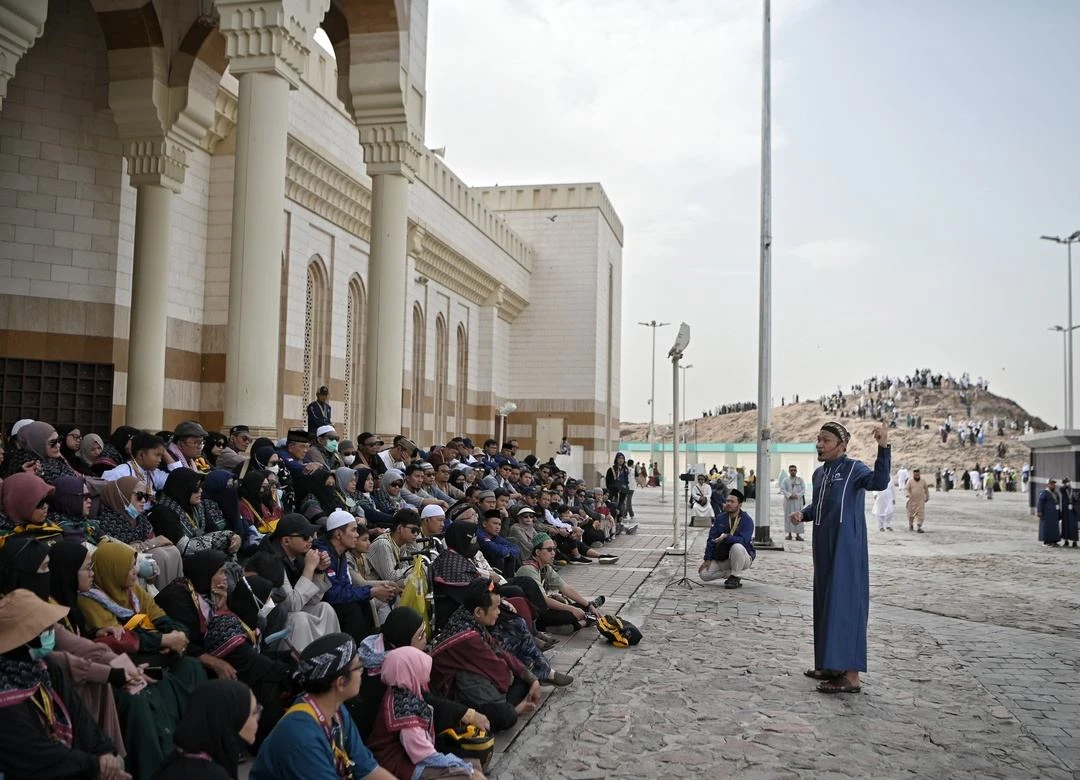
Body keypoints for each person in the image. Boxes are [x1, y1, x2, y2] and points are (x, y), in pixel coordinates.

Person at [790, 421, 890, 695]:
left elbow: (879, 482)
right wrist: (804, 514)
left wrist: (882, 447)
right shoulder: (819, 474)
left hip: (847, 548)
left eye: (826, 440)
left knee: (845, 606)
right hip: (823, 548)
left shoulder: (854, 469)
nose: (819, 445)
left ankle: (850, 676)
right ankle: (830, 665)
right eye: (818, 439)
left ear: (842, 445)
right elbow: (820, 504)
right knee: (824, 604)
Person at [0, 589, 130, 780]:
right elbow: (33, 755)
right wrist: (94, 765)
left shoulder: (44, 668)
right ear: (24, 640)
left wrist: (104, 751)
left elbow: (79, 717)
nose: (51, 632)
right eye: (45, 630)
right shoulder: (5, 697)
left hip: (69, 761)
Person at [250, 632, 397, 780]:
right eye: (358, 667)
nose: (361, 672)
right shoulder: (301, 735)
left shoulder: (337, 711)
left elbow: (368, 770)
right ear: (340, 682)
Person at [430, 580, 542, 732]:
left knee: (523, 681)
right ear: (478, 612)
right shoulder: (468, 637)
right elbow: (500, 672)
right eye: (495, 608)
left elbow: (499, 651)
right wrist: (511, 675)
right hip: (453, 696)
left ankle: (511, 706)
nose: (499, 612)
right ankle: (513, 710)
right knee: (505, 713)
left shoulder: (467, 617)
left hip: (479, 685)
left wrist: (532, 679)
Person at [367, 646, 483, 779]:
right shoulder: (404, 707)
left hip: (408, 760)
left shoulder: (402, 692)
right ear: (411, 671)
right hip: (398, 767)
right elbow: (422, 753)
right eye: (421, 668)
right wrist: (462, 767)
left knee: (474, 766)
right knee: (466, 775)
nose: (427, 676)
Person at [253, 514, 341, 650]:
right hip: (269, 620)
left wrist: (318, 571)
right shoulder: (270, 559)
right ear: (286, 541)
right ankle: (302, 667)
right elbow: (292, 604)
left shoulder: (298, 556)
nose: (311, 540)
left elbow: (313, 601)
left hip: (292, 611)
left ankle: (333, 655)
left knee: (325, 609)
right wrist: (309, 568)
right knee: (300, 619)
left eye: (312, 535)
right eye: (305, 537)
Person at [314, 510, 397, 642]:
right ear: (338, 534)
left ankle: (370, 643)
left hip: (331, 603)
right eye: (353, 530)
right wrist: (371, 591)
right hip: (318, 608)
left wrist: (370, 592)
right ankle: (356, 652)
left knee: (363, 601)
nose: (356, 535)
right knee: (351, 608)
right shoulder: (323, 555)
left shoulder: (339, 553)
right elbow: (331, 594)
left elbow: (346, 586)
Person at [152, 679, 261, 780]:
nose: (257, 719)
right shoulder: (209, 775)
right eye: (254, 713)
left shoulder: (179, 760)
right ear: (230, 721)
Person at [96, 477, 183, 586]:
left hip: (142, 559)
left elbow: (154, 540)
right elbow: (117, 552)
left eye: (145, 497)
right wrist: (148, 544)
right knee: (160, 555)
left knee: (173, 551)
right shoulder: (108, 521)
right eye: (139, 496)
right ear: (121, 496)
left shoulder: (140, 519)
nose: (143, 501)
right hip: (126, 568)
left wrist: (145, 545)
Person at [514, 533, 602, 631]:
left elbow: (565, 587)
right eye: (549, 550)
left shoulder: (545, 567)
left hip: (542, 609)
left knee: (581, 606)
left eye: (554, 549)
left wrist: (588, 605)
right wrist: (572, 609)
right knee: (570, 615)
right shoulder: (528, 569)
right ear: (538, 552)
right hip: (532, 615)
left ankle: (581, 619)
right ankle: (582, 623)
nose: (553, 553)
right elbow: (544, 601)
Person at [150, 468, 241, 557]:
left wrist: (233, 537)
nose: (201, 490)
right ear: (183, 489)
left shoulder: (197, 507)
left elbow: (214, 530)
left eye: (201, 486)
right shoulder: (163, 512)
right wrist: (224, 539)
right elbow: (183, 547)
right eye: (196, 488)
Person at [698, 490, 756, 588]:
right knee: (704, 574)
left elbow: (743, 541)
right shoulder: (720, 518)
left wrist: (726, 537)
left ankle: (735, 576)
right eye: (727, 501)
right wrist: (707, 559)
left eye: (732, 502)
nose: (728, 504)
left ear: (740, 504)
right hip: (724, 556)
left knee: (737, 546)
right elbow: (711, 539)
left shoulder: (747, 520)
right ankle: (732, 574)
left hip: (743, 557)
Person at [779, 464, 806, 541]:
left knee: (798, 516)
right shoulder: (785, 480)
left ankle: (798, 535)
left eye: (794, 470)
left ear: (796, 471)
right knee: (788, 517)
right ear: (789, 471)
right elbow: (782, 489)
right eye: (791, 470)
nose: (793, 471)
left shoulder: (800, 480)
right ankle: (789, 534)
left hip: (798, 501)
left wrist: (797, 495)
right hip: (788, 502)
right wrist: (789, 495)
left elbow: (803, 489)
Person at [1037, 478, 1063, 547]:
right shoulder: (1044, 493)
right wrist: (1039, 511)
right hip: (1046, 514)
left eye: (1054, 484)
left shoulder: (1056, 493)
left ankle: (1054, 541)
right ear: (1048, 485)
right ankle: (1046, 541)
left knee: (1054, 528)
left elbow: (1058, 503)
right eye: (1051, 484)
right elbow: (1040, 502)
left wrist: (1059, 513)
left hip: (1054, 514)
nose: (1053, 485)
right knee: (1047, 528)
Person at [904, 467, 930, 533]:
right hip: (912, 500)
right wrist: (907, 494)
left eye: (918, 475)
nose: (917, 476)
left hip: (920, 500)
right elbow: (906, 489)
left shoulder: (923, 481)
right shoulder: (910, 481)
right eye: (915, 475)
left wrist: (927, 497)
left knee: (920, 514)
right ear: (913, 474)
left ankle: (919, 527)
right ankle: (911, 525)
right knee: (911, 514)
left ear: (919, 474)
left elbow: (926, 489)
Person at [1062, 477, 1079, 548]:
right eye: (1066, 482)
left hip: (1073, 511)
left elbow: (1076, 500)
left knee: (1073, 526)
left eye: (1068, 482)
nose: (1068, 483)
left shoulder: (1073, 491)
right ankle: (1066, 541)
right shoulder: (1063, 489)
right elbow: (1062, 489)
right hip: (1066, 511)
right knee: (1065, 526)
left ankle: (1074, 542)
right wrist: (1065, 485)